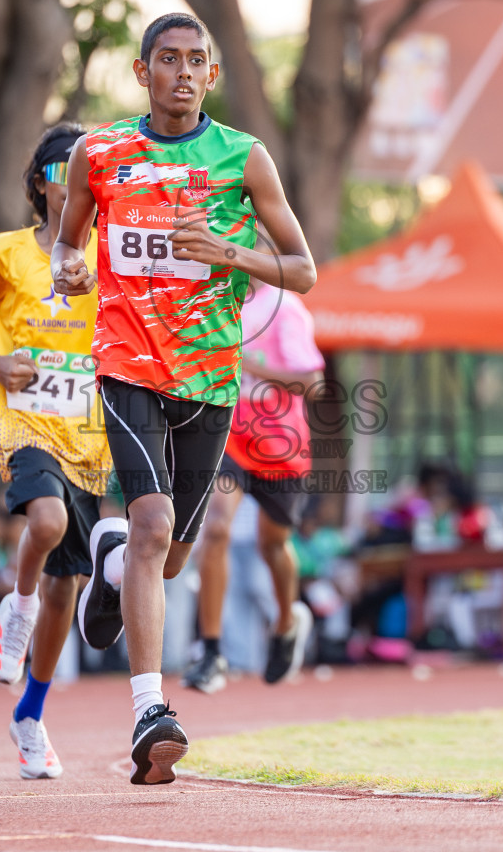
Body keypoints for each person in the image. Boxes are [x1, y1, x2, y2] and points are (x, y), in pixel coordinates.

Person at [51, 12, 316, 785]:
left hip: (209, 380)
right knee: (153, 522)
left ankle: (108, 563)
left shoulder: (244, 157)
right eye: (169, 59)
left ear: (214, 74)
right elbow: (70, 242)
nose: (184, 71)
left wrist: (228, 251)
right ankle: (148, 710)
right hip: (127, 363)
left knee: (167, 559)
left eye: (198, 59)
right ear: (143, 73)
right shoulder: (98, 153)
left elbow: (300, 269)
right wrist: (71, 268)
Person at [0, 123, 117, 779]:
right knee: (48, 524)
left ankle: (30, 714)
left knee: (68, 586)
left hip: (86, 436)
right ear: (40, 181)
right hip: (21, 419)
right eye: (66, 166)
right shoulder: (2, 254)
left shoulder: (110, 258)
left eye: (90, 167)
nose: (79, 175)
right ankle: (15, 608)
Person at [182, 277, 324, 694]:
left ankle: (286, 622)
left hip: (281, 443)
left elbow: (312, 384)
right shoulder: (213, 306)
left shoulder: (285, 307)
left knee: (273, 545)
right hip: (229, 436)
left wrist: (245, 362)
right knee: (217, 527)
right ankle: (211, 652)